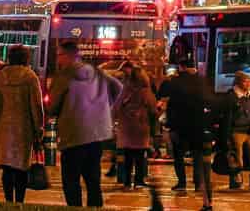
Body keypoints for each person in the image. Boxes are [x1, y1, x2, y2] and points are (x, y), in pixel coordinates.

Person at [50, 38, 121, 208]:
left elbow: (53, 106)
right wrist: (103, 107)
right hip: (96, 134)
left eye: (59, 55)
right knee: (93, 180)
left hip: (73, 135)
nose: (58, 59)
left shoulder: (64, 76)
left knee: (71, 180)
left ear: (68, 56)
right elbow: (118, 87)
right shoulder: (96, 72)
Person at [0, 43, 46, 204]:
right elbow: (36, 106)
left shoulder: (0, 77)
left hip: (2, 127)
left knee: (7, 167)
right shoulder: (30, 77)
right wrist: (39, 129)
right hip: (23, 128)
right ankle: (19, 201)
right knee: (21, 167)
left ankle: (8, 200)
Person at [160, 58, 218, 208]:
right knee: (198, 158)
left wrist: (170, 124)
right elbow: (210, 102)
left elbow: (168, 100)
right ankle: (200, 187)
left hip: (180, 127)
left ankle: (182, 183)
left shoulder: (176, 82)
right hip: (198, 127)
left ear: (181, 67)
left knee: (179, 156)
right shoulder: (202, 82)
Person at [112, 61, 156, 190]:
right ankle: (139, 180)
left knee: (128, 156)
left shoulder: (125, 89)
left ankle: (126, 183)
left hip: (126, 128)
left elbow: (115, 108)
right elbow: (153, 110)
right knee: (140, 156)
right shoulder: (146, 91)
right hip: (141, 127)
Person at [219, 70, 250, 191]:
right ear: (239, 82)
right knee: (237, 156)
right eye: (245, 81)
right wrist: (226, 134)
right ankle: (237, 180)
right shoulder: (231, 96)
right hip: (236, 130)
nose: (249, 83)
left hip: (249, 131)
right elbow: (226, 116)